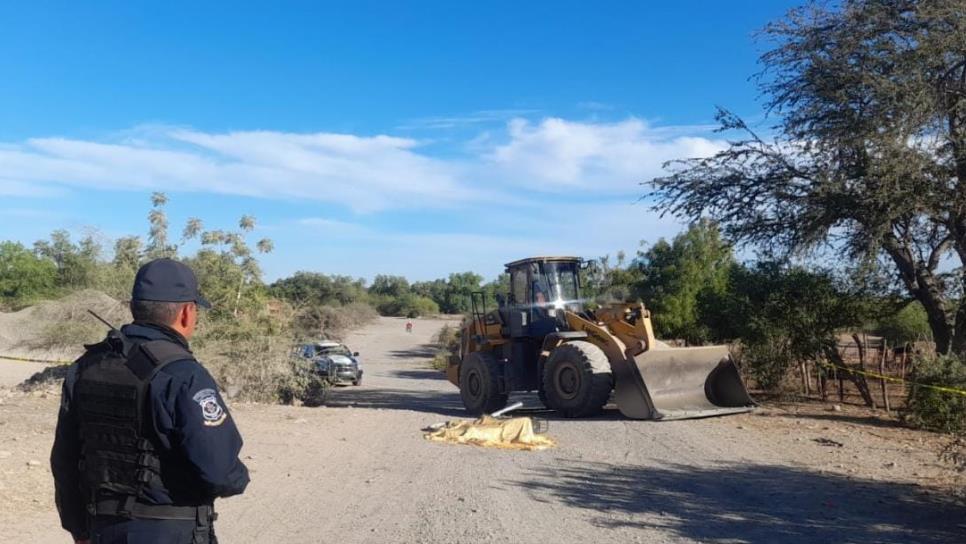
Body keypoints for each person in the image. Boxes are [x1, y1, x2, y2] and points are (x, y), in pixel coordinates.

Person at [51, 258, 250, 544]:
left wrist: (78, 528)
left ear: (135, 307)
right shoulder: (182, 373)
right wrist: (238, 478)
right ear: (186, 313)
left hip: (100, 529)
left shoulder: (87, 366)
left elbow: (65, 457)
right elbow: (218, 470)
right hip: (170, 531)